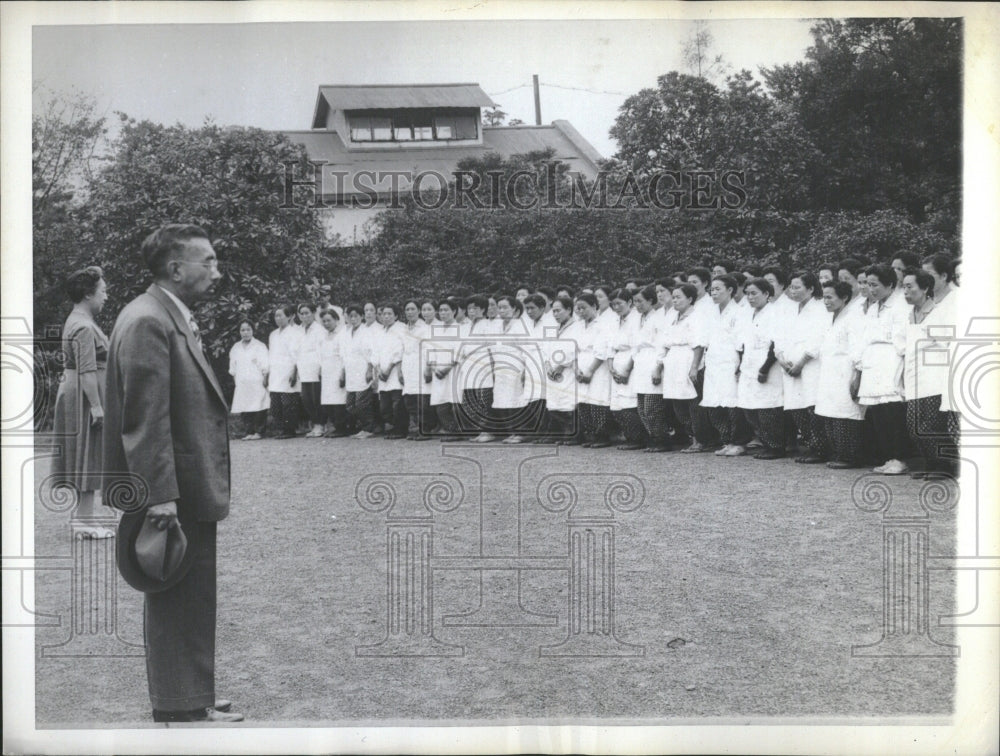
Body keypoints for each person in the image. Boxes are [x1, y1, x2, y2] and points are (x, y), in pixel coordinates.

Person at [104, 223, 243, 722]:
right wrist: (159, 496)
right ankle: (180, 704)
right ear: (176, 268)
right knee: (178, 591)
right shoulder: (149, 320)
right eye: (208, 261)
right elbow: (146, 418)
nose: (216, 271)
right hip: (174, 489)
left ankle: (187, 694)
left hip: (182, 484)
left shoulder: (160, 314)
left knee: (185, 591)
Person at [52, 265, 115, 538]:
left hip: (78, 393)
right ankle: (85, 523)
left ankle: (84, 519)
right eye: (103, 291)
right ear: (88, 294)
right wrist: (97, 405)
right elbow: (87, 369)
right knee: (87, 455)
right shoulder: (82, 326)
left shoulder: (81, 321)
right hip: (84, 396)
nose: (106, 296)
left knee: (84, 455)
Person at [851, 264, 909, 474]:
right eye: (868, 284)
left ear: (890, 285)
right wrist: (859, 363)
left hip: (890, 358)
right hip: (872, 361)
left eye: (875, 284)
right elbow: (864, 337)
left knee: (891, 409)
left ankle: (899, 458)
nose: (871, 289)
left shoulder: (900, 306)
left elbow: (901, 338)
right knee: (876, 412)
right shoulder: (873, 308)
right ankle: (887, 457)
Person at [902, 269, 956, 478]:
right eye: (904, 287)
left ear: (925, 288)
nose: (906, 292)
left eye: (910, 287)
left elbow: (947, 343)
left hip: (933, 377)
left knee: (931, 424)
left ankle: (943, 466)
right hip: (914, 377)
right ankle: (929, 463)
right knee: (914, 425)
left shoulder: (938, 313)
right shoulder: (910, 315)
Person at [774, 272, 829, 463]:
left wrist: (802, 361)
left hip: (810, 364)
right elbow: (779, 336)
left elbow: (820, 338)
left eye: (797, 287)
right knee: (796, 408)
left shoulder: (820, 308)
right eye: (791, 287)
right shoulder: (789, 309)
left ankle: (821, 449)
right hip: (789, 365)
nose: (793, 291)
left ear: (811, 289)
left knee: (812, 406)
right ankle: (810, 445)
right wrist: (780, 357)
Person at [815, 281, 867, 468]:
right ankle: (838, 453)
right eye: (824, 297)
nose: (825, 301)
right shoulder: (833, 319)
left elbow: (857, 348)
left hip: (846, 372)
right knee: (831, 413)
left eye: (830, 297)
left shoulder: (853, 318)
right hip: (830, 373)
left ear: (844, 297)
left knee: (847, 414)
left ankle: (850, 457)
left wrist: (857, 376)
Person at [701, 275, 751, 457]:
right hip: (714, 362)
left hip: (731, 361)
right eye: (712, 289)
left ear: (730, 290)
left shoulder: (740, 312)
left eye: (718, 289)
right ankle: (726, 440)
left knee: (733, 404)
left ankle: (739, 442)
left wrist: (740, 366)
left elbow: (742, 342)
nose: (713, 293)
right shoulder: (711, 313)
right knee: (714, 403)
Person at [737, 278, 786, 460]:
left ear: (766, 294)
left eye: (754, 293)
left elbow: (775, 344)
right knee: (749, 408)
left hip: (767, 366)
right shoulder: (748, 315)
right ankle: (766, 443)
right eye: (747, 293)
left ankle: (776, 446)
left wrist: (765, 369)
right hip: (749, 366)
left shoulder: (774, 314)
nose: (750, 297)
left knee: (768, 408)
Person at [655, 284, 706, 452]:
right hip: (673, 362)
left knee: (692, 401)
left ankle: (699, 440)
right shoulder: (673, 318)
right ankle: (690, 437)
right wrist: (660, 365)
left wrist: (694, 368)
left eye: (678, 297)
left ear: (690, 299)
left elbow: (698, 345)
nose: (675, 300)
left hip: (688, 359)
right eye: (674, 297)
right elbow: (665, 343)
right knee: (677, 402)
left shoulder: (697, 317)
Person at [631, 285, 673, 452]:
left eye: (640, 301)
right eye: (634, 302)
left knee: (652, 407)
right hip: (640, 362)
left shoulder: (659, 318)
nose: (637, 305)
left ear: (650, 300)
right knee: (641, 407)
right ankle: (653, 438)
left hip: (653, 361)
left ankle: (663, 440)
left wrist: (658, 366)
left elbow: (662, 345)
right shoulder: (639, 319)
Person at [607, 288, 645, 450]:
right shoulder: (615, 321)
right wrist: (611, 366)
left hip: (631, 363)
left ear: (629, 302)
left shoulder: (636, 320)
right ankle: (628, 435)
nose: (616, 307)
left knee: (630, 402)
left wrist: (627, 370)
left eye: (619, 303)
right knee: (618, 404)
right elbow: (609, 345)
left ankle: (638, 438)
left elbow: (636, 346)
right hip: (616, 362)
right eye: (613, 304)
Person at [574, 292, 613, 448]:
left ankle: (602, 436)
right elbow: (574, 348)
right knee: (583, 401)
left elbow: (601, 350)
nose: (581, 311)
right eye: (578, 308)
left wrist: (590, 371)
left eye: (584, 308)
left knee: (597, 399)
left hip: (597, 366)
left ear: (594, 307)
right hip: (581, 363)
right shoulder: (578, 326)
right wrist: (576, 368)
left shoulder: (603, 325)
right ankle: (590, 434)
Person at [540, 295, 581, 443]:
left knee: (568, 400)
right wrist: (548, 365)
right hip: (552, 371)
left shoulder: (577, 327)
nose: (555, 314)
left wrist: (561, 366)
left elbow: (574, 348)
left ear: (569, 310)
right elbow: (546, 348)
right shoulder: (555, 329)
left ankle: (572, 435)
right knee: (554, 400)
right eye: (554, 311)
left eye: (558, 311)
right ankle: (556, 434)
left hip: (567, 370)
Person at [491, 295, 530, 443]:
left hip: (516, 367)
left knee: (516, 400)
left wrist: (525, 369)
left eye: (505, 307)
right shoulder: (497, 326)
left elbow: (525, 349)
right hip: (500, 368)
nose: (501, 310)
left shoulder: (520, 326)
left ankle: (521, 433)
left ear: (514, 309)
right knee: (502, 400)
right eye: (499, 307)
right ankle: (511, 432)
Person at [426, 298, 464, 439]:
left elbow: (460, 351)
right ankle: (449, 429)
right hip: (438, 372)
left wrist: (446, 368)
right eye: (441, 310)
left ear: (454, 311)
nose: (443, 313)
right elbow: (430, 349)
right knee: (440, 402)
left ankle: (458, 432)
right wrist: (435, 368)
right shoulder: (435, 330)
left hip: (454, 370)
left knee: (454, 402)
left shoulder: (460, 329)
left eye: (446, 310)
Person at [400, 300, 435, 440]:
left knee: (422, 399)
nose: (410, 312)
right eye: (407, 309)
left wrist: (428, 368)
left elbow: (430, 348)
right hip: (408, 366)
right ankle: (414, 428)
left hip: (421, 366)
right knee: (410, 399)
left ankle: (425, 429)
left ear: (419, 311)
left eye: (412, 309)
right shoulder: (404, 329)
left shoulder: (425, 328)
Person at [340, 304, 377, 438]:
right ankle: (362, 427)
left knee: (362, 403)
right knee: (350, 405)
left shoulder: (367, 332)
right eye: (351, 316)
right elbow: (344, 355)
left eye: (356, 316)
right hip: (350, 372)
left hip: (363, 371)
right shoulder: (347, 334)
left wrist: (369, 370)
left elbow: (372, 353)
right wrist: (343, 372)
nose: (353, 319)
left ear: (362, 317)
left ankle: (369, 428)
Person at [228, 320, 269, 440]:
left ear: (252, 330)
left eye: (248, 329)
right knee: (245, 406)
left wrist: (265, 378)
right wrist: (236, 381)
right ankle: (249, 432)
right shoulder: (236, 347)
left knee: (259, 405)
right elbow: (233, 367)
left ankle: (259, 432)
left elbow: (265, 364)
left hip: (256, 380)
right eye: (243, 330)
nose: (245, 333)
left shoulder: (259, 346)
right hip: (242, 382)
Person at [267, 305, 302, 439]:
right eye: (276, 316)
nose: (278, 318)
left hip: (288, 370)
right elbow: (271, 354)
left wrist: (294, 372)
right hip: (275, 371)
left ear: (289, 317)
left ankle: (289, 430)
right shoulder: (273, 334)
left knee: (288, 403)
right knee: (275, 402)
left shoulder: (294, 333)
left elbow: (296, 355)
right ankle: (280, 429)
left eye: (281, 315)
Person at [373, 302, 407, 439]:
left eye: (389, 314)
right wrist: (379, 369)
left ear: (396, 316)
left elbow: (399, 351)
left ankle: (400, 429)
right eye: (383, 314)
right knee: (384, 407)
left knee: (397, 403)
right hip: (382, 374)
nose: (385, 317)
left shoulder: (401, 329)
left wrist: (388, 369)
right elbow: (375, 352)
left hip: (394, 371)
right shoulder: (380, 332)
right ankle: (393, 426)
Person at [318, 308, 351, 437]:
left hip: (338, 370)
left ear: (336, 320)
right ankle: (336, 427)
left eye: (329, 320)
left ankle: (342, 428)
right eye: (324, 321)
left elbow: (344, 355)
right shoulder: (324, 336)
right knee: (328, 400)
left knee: (339, 400)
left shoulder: (342, 334)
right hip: (327, 372)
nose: (326, 323)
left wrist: (343, 373)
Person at [296, 303, 325, 437]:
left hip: (316, 367)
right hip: (303, 368)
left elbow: (321, 350)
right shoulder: (299, 330)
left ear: (313, 313)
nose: (304, 316)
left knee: (316, 398)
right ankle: (315, 424)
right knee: (306, 399)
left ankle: (320, 425)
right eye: (302, 313)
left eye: (307, 313)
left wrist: (320, 368)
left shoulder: (319, 329)